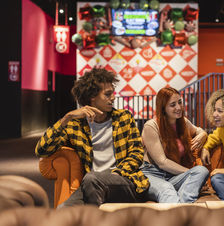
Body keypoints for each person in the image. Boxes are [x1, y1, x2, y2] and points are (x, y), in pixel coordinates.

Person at [35, 67, 149, 207]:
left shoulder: (123, 118)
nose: (113, 97)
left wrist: (118, 173)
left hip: (123, 180)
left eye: (112, 93)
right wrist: (66, 118)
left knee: (91, 179)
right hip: (90, 185)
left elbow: (137, 153)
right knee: (62, 211)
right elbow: (41, 150)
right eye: (107, 94)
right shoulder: (75, 125)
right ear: (92, 96)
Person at [139, 87, 209, 203]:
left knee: (201, 171)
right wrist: (188, 173)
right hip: (151, 174)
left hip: (172, 175)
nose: (178, 107)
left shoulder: (183, 122)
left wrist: (203, 134)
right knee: (167, 189)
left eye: (180, 102)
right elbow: (162, 163)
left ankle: (179, 210)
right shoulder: (151, 126)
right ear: (163, 108)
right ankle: (182, 215)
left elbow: (198, 130)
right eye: (172, 105)